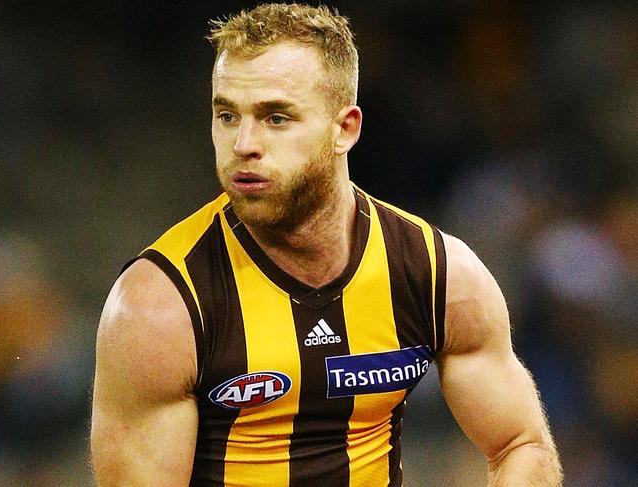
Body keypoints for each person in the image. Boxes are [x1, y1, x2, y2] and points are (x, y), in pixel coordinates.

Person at [90, 3, 563, 486]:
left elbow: (520, 446)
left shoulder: (436, 273)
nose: (243, 144)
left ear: (345, 129)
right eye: (227, 115)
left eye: (275, 118)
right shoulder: (160, 306)